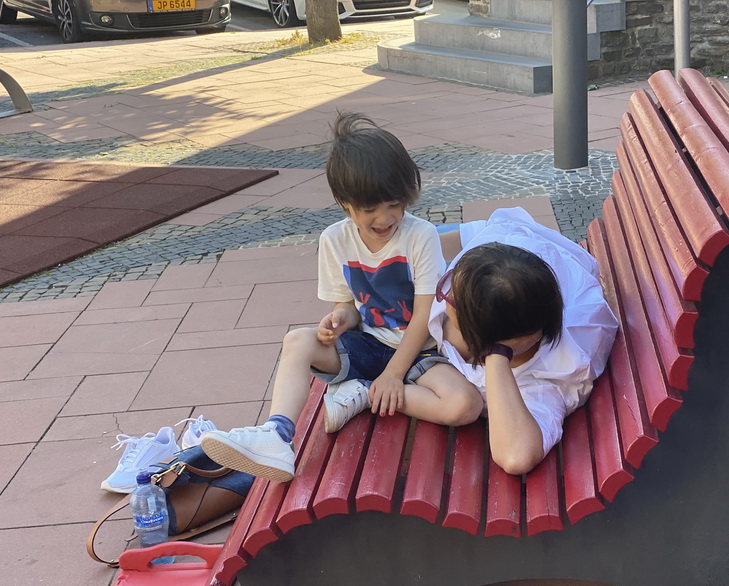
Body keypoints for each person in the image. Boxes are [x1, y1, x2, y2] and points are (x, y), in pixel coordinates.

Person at [200, 113, 482, 484]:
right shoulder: (335, 240)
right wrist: (339, 321)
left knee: (466, 405)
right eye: (369, 210)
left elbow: (425, 314)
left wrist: (394, 375)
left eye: (394, 204)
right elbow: (347, 305)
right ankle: (277, 435)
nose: (385, 218)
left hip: (422, 352)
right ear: (344, 203)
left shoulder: (420, 236)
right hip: (367, 343)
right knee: (298, 340)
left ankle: (365, 391)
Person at [429, 207, 619, 475]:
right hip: (518, 237)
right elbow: (497, 230)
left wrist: (495, 356)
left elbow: (516, 456)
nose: (442, 293)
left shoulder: (552, 374)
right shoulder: (504, 265)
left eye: (450, 297)